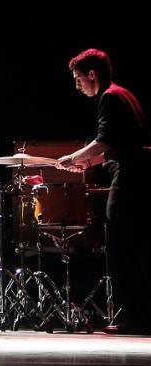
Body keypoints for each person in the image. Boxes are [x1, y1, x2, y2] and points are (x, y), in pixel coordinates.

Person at [54, 48, 151, 335]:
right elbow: (118, 142)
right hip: (139, 175)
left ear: (92, 74)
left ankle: (136, 318)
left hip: (131, 178)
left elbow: (104, 140)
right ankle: (140, 316)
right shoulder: (124, 94)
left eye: (78, 79)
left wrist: (74, 157)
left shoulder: (109, 96)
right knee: (135, 248)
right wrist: (87, 161)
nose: (77, 85)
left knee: (123, 247)